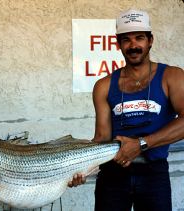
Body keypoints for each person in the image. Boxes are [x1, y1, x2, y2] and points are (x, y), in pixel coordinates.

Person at [68, 9, 184, 211]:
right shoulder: (103, 85)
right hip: (113, 175)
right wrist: (79, 170)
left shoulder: (172, 76)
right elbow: (102, 138)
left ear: (150, 40)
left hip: (154, 174)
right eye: (126, 40)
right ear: (118, 43)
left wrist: (142, 144)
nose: (133, 45)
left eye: (139, 38)